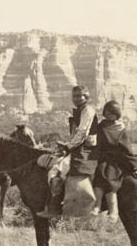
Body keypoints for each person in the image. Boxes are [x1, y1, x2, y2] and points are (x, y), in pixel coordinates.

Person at [37, 85, 98, 218]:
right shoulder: (80, 111)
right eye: (75, 96)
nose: (77, 98)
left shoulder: (87, 110)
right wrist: (66, 145)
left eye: (80, 95)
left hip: (86, 150)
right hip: (80, 147)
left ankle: (54, 206)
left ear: (86, 97)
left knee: (56, 169)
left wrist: (67, 147)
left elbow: (82, 134)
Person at [92, 100, 137, 222]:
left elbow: (127, 149)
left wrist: (135, 167)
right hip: (103, 159)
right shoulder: (101, 126)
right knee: (98, 176)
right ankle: (96, 206)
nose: (108, 115)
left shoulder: (120, 129)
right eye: (107, 112)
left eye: (112, 113)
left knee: (110, 180)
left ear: (116, 115)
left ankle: (114, 210)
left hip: (116, 160)